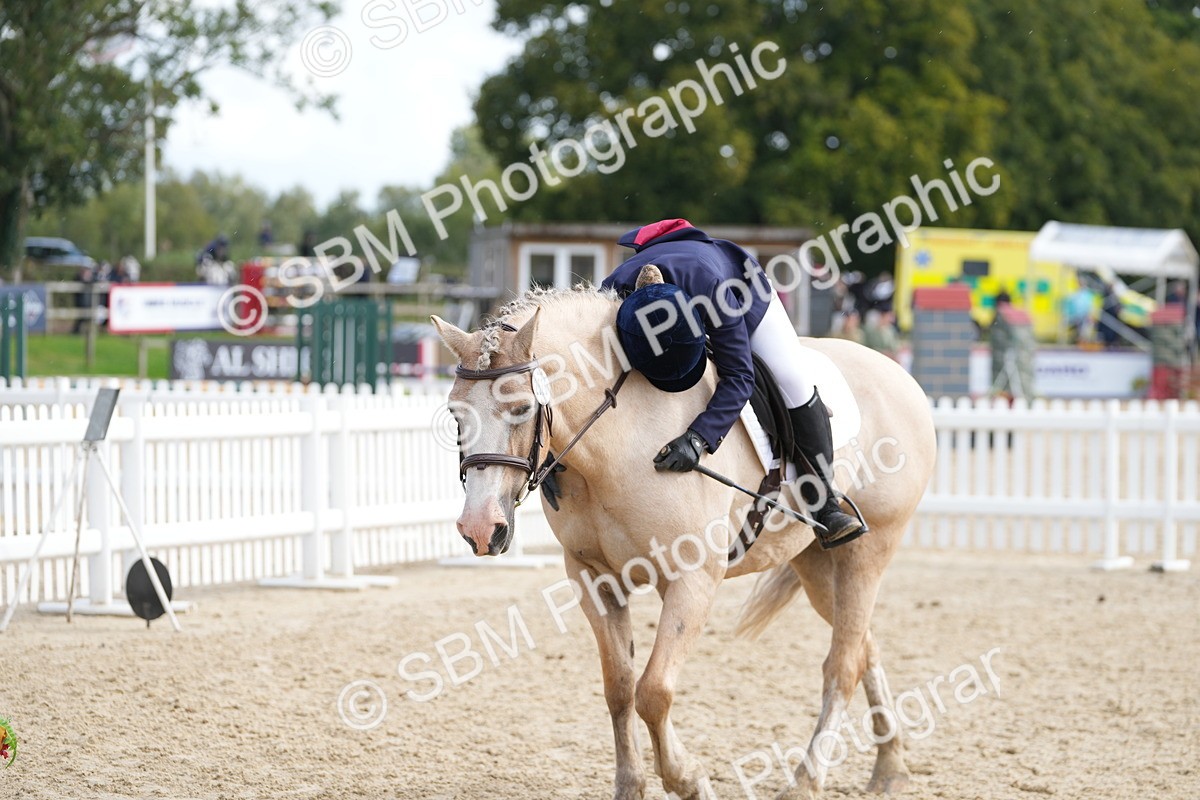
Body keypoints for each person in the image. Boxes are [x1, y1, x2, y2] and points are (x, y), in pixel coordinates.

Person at [601, 219, 866, 548]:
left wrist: (699, 439)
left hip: (740, 288)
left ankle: (824, 505)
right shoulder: (609, 296)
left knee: (792, 379)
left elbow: (740, 376)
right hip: (677, 284)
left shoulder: (714, 290)